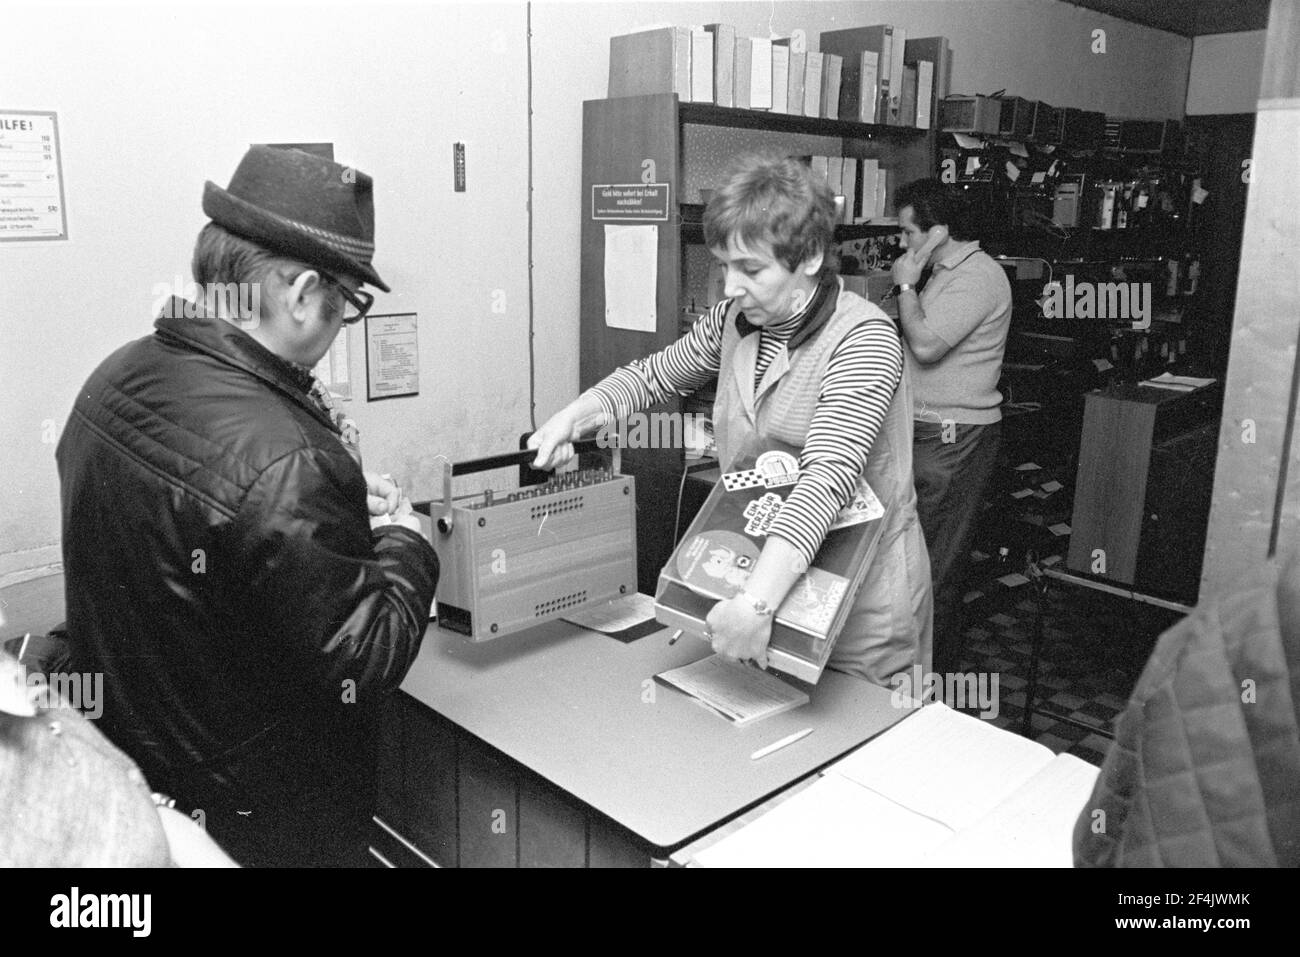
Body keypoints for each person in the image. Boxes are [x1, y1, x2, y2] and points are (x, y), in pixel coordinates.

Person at [56, 146, 439, 867]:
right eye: (348, 306)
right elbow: (365, 658)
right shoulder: (287, 456)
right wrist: (403, 537)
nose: (338, 332)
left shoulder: (112, 376)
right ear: (299, 294)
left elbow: (208, 566)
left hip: (144, 783)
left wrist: (335, 510)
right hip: (264, 819)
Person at [531, 153, 931, 686]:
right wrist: (572, 419)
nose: (729, 287)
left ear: (809, 256)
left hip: (857, 602)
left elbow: (826, 479)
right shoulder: (735, 323)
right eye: (724, 265)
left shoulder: (864, 338)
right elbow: (654, 376)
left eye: (751, 269)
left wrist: (756, 606)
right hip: (762, 579)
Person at [891, 178, 1012, 677]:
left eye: (907, 233)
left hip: (955, 435)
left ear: (938, 233)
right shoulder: (943, 272)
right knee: (912, 562)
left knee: (935, 566)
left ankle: (927, 689)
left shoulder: (977, 277)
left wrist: (903, 285)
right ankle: (906, 676)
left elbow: (925, 345)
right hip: (925, 430)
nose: (903, 244)